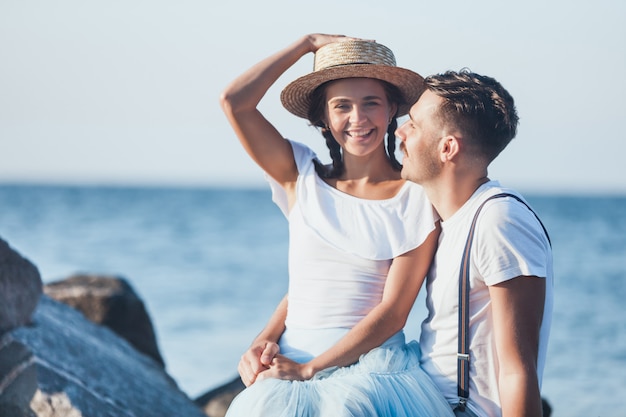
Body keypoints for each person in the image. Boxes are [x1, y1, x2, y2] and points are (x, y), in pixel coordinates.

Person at [219, 34, 454, 416]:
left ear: (392, 108)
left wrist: (311, 368)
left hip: (368, 374)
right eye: (341, 106)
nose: (357, 119)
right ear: (323, 119)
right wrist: (305, 44)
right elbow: (235, 103)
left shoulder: (414, 197)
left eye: (371, 104)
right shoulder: (300, 177)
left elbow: (394, 311)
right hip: (288, 366)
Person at [395, 69, 554, 417]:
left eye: (414, 124)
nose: (400, 131)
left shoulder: (499, 220)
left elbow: (517, 370)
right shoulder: (446, 219)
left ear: (447, 147)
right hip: (425, 401)